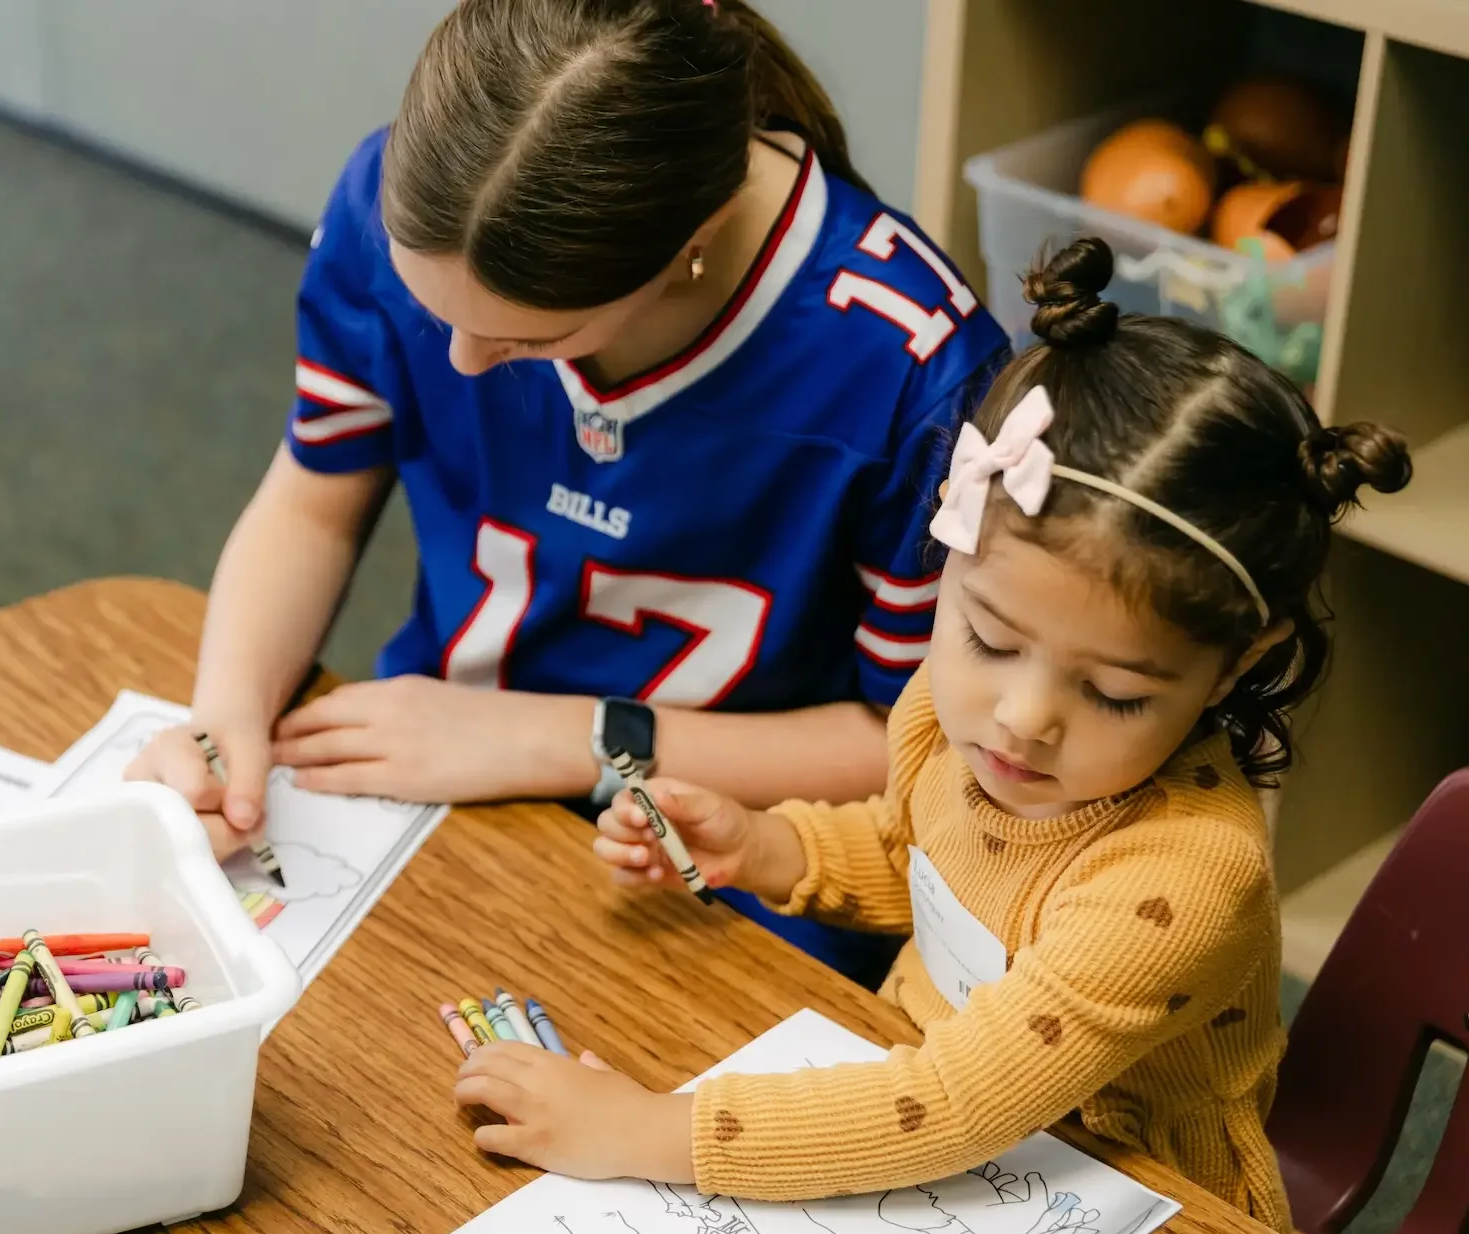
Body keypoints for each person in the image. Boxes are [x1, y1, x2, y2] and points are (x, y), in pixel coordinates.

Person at [451, 238, 1413, 1232]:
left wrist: (648, 1133)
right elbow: (919, 851)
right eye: (986, 636)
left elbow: (953, 1105)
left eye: (1115, 694)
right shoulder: (950, 713)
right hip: (930, 1113)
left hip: (1132, 1215)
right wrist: (766, 846)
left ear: (1239, 664)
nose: (1020, 718)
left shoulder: (1182, 875)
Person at [127, 0, 1009, 982]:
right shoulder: (386, 198)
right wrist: (222, 721)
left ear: (693, 241)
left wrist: (574, 739)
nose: (462, 362)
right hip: (428, 761)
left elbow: (916, 747)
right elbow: (311, 499)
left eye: (528, 340)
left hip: (741, 854)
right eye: (436, 315)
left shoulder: (913, 374)